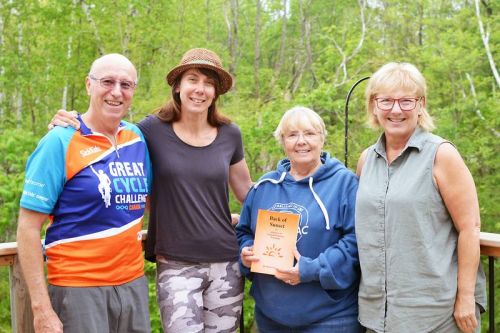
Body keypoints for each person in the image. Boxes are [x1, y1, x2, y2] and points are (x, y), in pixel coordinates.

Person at [49, 48, 252, 332]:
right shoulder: (150, 131)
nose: (200, 89)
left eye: (209, 83)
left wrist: (293, 188)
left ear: (216, 92)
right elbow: (107, 129)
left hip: (225, 261)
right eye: (193, 79)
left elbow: (248, 192)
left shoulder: (230, 133)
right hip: (176, 262)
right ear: (178, 86)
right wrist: (68, 122)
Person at [17, 54, 152, 333]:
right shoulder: (59, 141)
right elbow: (28, 228)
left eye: (126, 84)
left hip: (133, 284)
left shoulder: (137, 138)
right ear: (88, 85)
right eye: (107, 81)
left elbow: (150, 202)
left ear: (134, 91)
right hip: (78, 289)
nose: (116, 91)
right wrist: (41, 309)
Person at [355, 62, 487, 333]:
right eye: (386, 101)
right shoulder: (366, 160)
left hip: (436, 314)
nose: (395, 109)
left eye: (406, 101)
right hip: (378, 312)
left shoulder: (441, 154)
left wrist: (465, 297)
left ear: (420, 105)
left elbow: (470, 228)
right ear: (374, 105)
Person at [236, 106, 362, 332]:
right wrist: (246, 253)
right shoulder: (265, 186)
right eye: (292, 135)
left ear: (322, 138)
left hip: (330, 318)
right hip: (270, 317)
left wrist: (310, 269)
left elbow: (356, 242)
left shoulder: (345, 184)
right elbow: (244, 232)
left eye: (309, 133)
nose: (301, 141)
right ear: (282, 141)